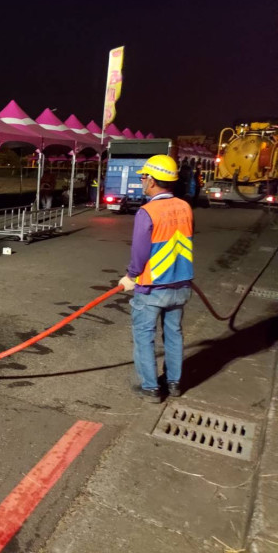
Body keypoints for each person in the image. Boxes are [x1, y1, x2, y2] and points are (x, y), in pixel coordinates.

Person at [118, 154, 193, 403]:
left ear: (151, 180)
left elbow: (140, 252)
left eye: (143, 177)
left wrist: (130, 276)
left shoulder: (147, 211)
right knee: (174, 335)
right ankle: (174, 383)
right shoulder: (184, 207)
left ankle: (150, 388)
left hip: (152, 288)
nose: (142, 181)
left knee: (144, 336)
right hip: (181, 286)